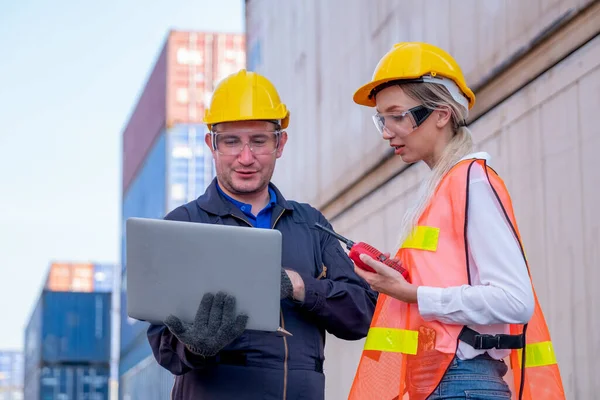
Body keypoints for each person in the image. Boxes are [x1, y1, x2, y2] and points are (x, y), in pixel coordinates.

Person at [346, 42, 566, 400]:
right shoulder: (446, 187)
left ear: (442, 114)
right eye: (381, 119)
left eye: (397, 115)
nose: (387, 132)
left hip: (461, 382)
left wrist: (414, 293)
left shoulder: (471, 182)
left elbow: (515, 299)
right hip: (447, 382)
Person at [146, 69, 378, 400]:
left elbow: (362, 316)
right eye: (231, 141)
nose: (246, 157)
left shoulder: (311, 225)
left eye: (259, 141)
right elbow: (163, 347)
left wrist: (300, 286)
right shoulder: (182, 225)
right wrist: (195, 345)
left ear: (280, 143)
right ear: (211, 144)